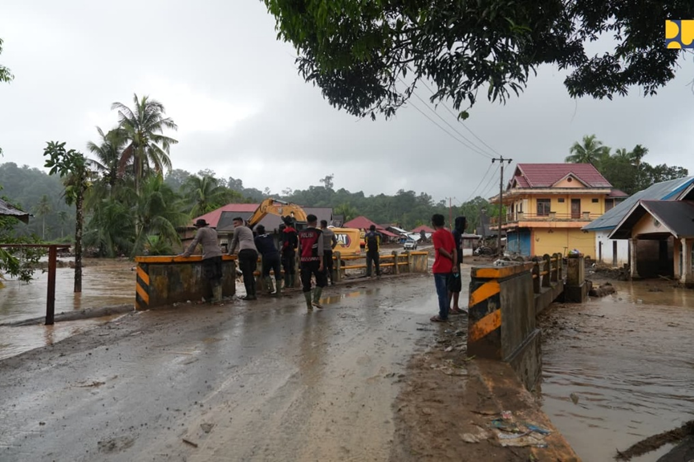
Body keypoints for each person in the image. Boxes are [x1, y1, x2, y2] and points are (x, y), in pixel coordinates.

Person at [179, 218, 224, 304]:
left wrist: (186, 254)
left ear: (199, 226)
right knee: (218, 276)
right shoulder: (213, 231)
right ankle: (219, 297)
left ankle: (217, 299)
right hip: (218, 255)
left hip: (209, 255)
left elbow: (194, 243)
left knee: (212, 276)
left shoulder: (201, 230)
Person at [431, 214, 457, 322]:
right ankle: (445, 313)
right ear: (443, 222)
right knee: (446, 292)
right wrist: (454, 264)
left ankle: (443, 316)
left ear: (433, 223)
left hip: (439, 268)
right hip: (449, 268)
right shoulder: (449, 233)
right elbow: (454, 250)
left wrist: (449, 257)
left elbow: (440, 249)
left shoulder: (436, 235)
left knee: (441, 294)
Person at [298, 214, 326, 310]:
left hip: (304, 261)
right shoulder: (318, 233)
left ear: (307, 222)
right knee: (321, 280)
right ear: (315, 222)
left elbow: (299, 248)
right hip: (315, 260)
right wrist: (321, 262)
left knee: (306, 283)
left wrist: (299, 260)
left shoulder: (300, 233)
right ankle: (316, 300)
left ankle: (309, 306)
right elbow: (320, 249)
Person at [229, 217, 258, 300]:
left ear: (241, 223)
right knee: (251, 273)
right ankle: (254, 294)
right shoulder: (249, 230)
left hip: (245, 252)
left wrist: (230, 253)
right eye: (233, 224)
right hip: (254, 252)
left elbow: (234, 241)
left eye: (236, 223)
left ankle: (249, 294)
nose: (234, 225)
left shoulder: (238, 229)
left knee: (246, 274)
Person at [254, 225, 282, 296]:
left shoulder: (257, 239)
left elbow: (259, 249)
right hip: (276, 254)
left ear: (257, 231)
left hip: (267, 256)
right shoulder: (270, 236)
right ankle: (279, 291)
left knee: (265, 273)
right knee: (277, 273)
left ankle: (270, 288)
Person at [449, 216, 467, 315]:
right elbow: (452, 250)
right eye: (465, 222)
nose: (467, 224)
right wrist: (454, 265)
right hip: (454, 264)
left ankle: (455, 306)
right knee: (452, 285)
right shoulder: (454, 234)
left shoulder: (459, 234)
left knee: (457, 285)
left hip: (457, 263)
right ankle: (448, 307)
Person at [281, 217, 298, 289]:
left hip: (287, 250)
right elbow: (296, 242)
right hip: (292, 250)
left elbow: (285, 243)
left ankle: (287, 284)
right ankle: (293, 283)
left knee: (286, 267)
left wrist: (282, 249)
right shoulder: (294, 231)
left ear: (285, 223)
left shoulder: (285, 231)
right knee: (292, 266)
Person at [320, 220, 338, 285]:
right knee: (330, 266)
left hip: (323, 251)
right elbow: (335, 242)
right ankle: (332, 280)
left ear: (322, 225)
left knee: (324, 266)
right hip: (329, 250)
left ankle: (325, 282)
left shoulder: (321, 232)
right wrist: (332, 247)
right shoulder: (331, 232)